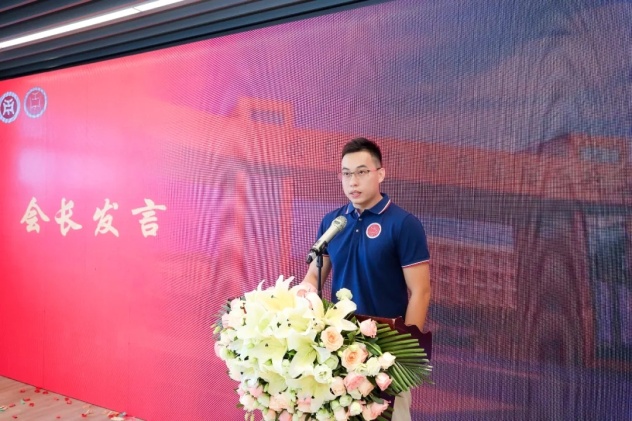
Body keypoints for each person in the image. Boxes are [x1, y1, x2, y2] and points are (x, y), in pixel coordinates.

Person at [302, 137, 431, 421]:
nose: (353, 181)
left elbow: (421, 291)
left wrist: (404, 353)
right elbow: (314, 274)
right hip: (339, 345)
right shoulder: (333, 223)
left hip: (385, 350)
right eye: (346, 174)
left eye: (362, 172)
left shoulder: (403, 224)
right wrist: (304, 291)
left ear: (380, 174)